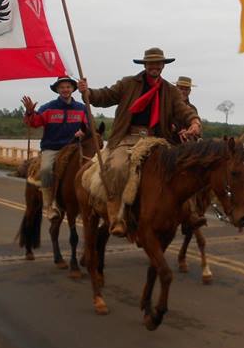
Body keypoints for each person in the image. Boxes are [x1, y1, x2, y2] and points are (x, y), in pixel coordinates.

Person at [77, 47, 201, 236]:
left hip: (158, 138)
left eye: (158, 63)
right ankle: (116, 216)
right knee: (117, 166)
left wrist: (194, 121)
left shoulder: (170, 90)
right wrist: (88, 93)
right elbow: (105, 96)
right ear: (145, 65)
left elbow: (183, 110)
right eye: (151, 63)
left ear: (162, 66)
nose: (155, 66)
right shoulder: (128, 84)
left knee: (183, 168)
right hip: (128, 137)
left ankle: (189, 212)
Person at [22, 76, 88, 220]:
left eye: (68, 87)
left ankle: (88, 204)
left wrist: (83, 131)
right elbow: (33, 122)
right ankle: (49, 205)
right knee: (46, 169)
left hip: (74, 147)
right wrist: (29, 112)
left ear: (73, 89)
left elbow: (88, 126)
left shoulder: (82, 108)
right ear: (57, 90)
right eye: (62, 87)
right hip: (52, 148)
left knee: (91, 168)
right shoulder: (48, 107)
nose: (65, 90)